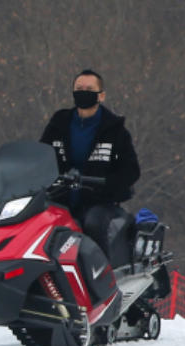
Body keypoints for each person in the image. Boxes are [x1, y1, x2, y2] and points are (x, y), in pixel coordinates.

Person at [39, 68, 142, 266]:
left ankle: (101, 276)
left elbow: (131, 169)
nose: (83, 92)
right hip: (60, 197)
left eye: (89, 89)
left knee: (93, 223)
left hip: (99, 203)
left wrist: (108, 186)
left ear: (101, 95)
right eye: (79, 88)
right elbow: (41, 153)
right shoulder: (59, 123)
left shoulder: (115, 130)